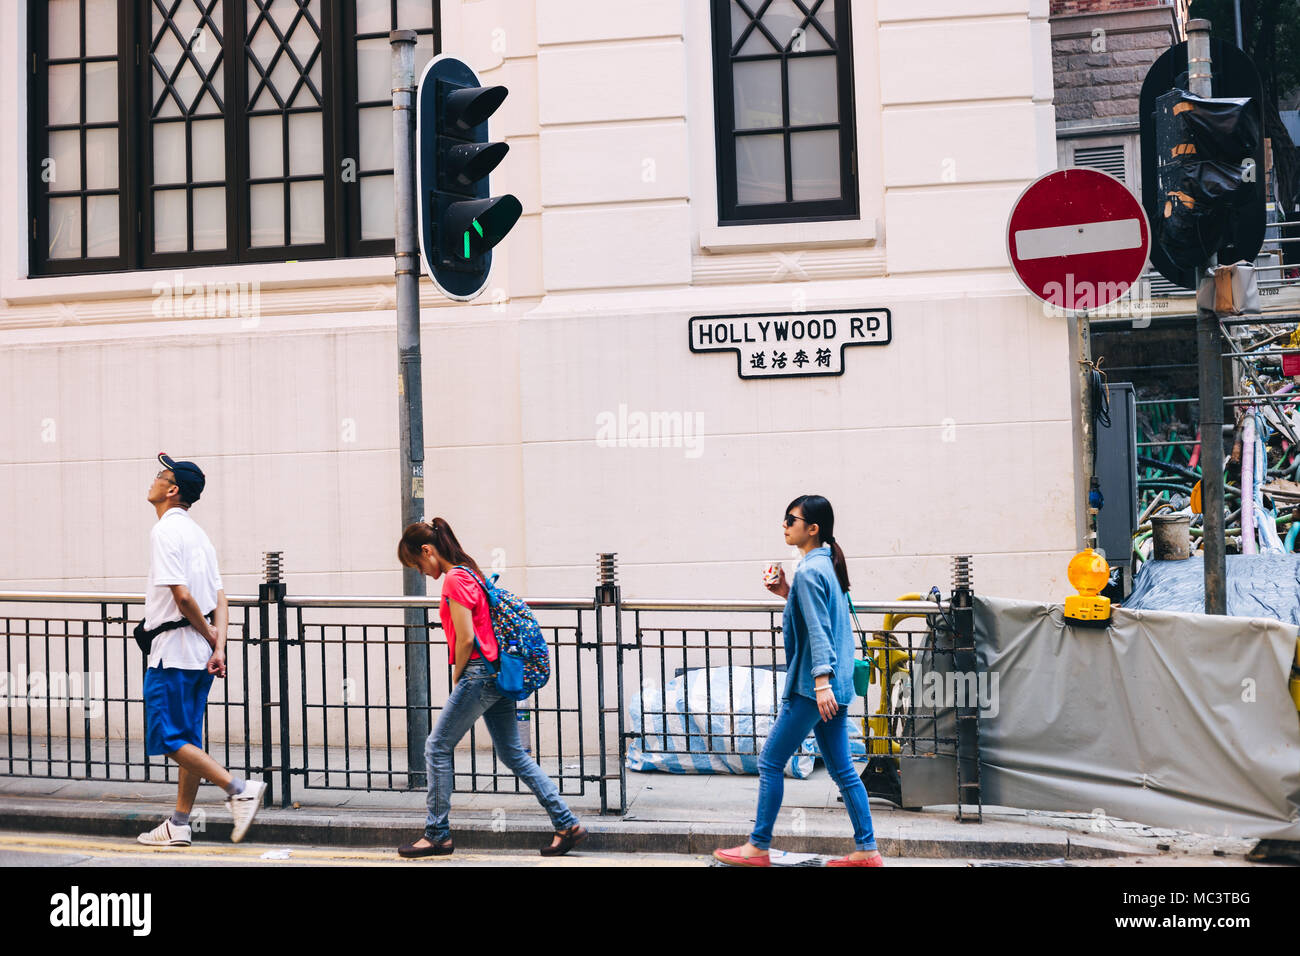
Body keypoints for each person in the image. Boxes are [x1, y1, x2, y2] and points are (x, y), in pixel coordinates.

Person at [395, 518, 586, 858]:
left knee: (437, 747)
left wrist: (458, 675)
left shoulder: (454, 580)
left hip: (479, 673)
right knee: (513, 753)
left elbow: (467, 636)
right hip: (498, 672)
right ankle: (566, 823)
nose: (421, 572)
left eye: (417, 564)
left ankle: (437, 835)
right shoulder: (471, 572)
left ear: (428, 550)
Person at [714, 494, 883, 867]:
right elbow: (817, 616)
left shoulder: (810, 570)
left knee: (770, 762)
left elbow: (820, 632)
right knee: (843, 771)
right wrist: (786, 592)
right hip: (835, 687)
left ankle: (757, 847)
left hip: (813, 689)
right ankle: (867, 851)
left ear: (813, 528)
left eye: (791, 519)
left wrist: (820, 682)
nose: (785, 525)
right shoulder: (825, 567)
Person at [137, 453, 266, 847]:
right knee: (188, 740)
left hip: (172, 652)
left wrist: (211, 636)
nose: (154, 480)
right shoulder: (200, 536)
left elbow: (183, 596)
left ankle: (238, 788)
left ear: (172, 490)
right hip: (198, 656)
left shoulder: (164, 532)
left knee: (169, 737)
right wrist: (217, 644)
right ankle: (179, 823)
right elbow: (221, 598)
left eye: (160, 475)